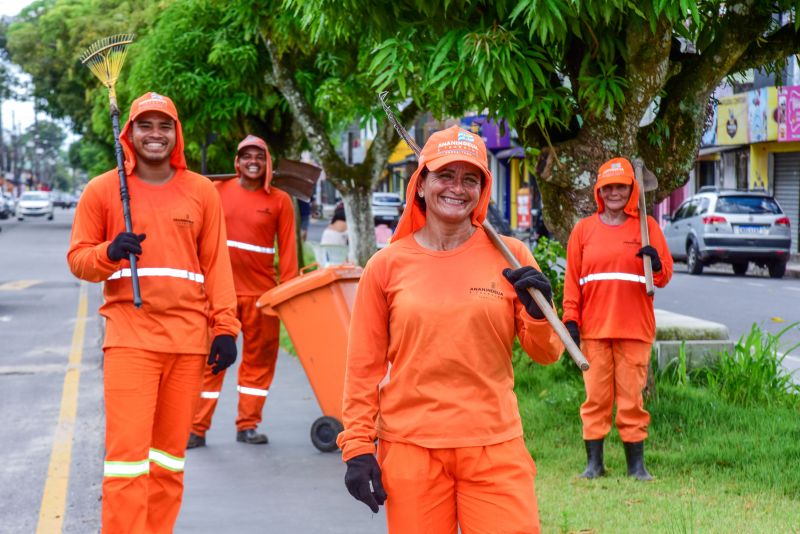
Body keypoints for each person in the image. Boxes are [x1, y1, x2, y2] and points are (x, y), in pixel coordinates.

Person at [337, 126, 564, 533]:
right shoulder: (387, 265)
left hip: (494, 445)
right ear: (421, 184)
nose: (457, 188)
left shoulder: (512, 257)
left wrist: (536, 313)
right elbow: (362, 367)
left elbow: (547, 353)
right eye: (446, 176)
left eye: (470, 178)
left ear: (483, 188)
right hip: (411, 449)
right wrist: (357, 447)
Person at [67, 91, 240, 533]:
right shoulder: (104, 191)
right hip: (130, 339)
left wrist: (225, 327)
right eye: (145, 125)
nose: (155, 134)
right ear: (130, 133)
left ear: (176, 134)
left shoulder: (201, 191)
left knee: (168, 461)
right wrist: (110, 251)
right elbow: (79, 260)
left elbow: (217, 265)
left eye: (164, 126)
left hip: (188, 342)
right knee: (126, 463)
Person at [562, 157, 673, 481]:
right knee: (595, 398)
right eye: (608, 187)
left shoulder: (646, 227)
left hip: (635, 329)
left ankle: (636, 466)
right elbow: (572, 281)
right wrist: (571, 320)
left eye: (621, 187)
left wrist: (654, 263)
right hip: (594, 331)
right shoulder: (583, 231)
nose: (614, 193)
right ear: (599, 191)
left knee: (631, 399)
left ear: (632, 189)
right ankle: (594, 464)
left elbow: (664, 275)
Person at [188, 134, 298, 448]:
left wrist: (287, 298)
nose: (253, 161)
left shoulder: (279, 201)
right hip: (219, 295)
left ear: (268, 163)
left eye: (259, 156)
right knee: (211, 362)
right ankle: (196, 428)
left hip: (262, 297)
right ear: (237, 162)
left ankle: (248, 425)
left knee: (259, 363)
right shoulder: (215, 191)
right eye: (247, 156)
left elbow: (288, 253)